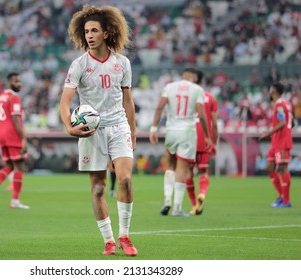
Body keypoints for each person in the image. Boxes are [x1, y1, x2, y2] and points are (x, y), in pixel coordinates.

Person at [59, 5, 138, 256]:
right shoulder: (79, 65)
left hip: (118, 126)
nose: (89, 35)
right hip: (92, 131)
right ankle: (109, 240)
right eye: (86, 31)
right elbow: (65, 100)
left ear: (106, 33)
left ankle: (125, 235)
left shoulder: (122, 63)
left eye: (94, 30)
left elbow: (128, 100)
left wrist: (133, 131)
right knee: (99, 189)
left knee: (125, 178)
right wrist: (69, 127)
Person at [150, 68, 211, 217]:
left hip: (171, 131)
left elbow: (159, 107)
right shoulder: (197, 89)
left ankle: (166, 201)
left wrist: (153, 128)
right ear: (195, 78)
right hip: (187, 132)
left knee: (170, 166)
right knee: (182, 169)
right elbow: (202, 116)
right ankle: (177, 207)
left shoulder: (170, 87)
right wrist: (207, 136)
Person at [0, 72, 29, 209]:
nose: (19, 84)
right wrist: (23, 139)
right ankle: (15, 201)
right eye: (16, 81)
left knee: (9, 166)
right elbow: (16, 119)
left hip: (2, 134)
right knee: (19, 166)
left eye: (20, 81)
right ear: (9, 82)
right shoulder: (14, 98)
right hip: (12, 135)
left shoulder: (1, 97)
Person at [185, 69, 218, 215]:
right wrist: (213, 142)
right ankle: (202, 192)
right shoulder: (211, 98)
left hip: (189, 137)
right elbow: (215, 124)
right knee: (203, 171)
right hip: (205, 137)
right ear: (202, 83)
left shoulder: (187, 97)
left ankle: (194, 205)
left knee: (188, 173)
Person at [259, 82, 293, 208]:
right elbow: (291, 121)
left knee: (283, 168)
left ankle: (286, 201)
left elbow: (282, 122)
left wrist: (268, 132)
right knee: (269, 168)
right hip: (276, 142)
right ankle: (282, 196)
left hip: (282, 142)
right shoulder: (285, 104)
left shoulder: (279, 104)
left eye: (270, 89)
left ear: (273, 91)